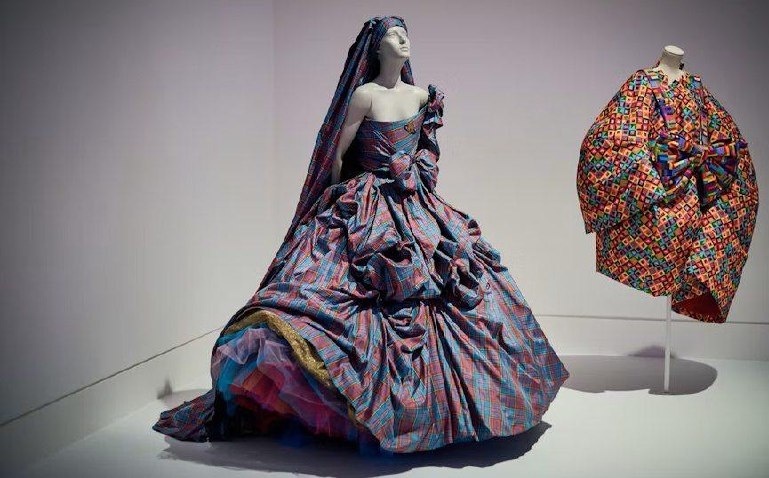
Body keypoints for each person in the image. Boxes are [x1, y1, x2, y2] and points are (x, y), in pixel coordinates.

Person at [153, 15, 570, 454]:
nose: (403, 40)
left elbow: (424, 152)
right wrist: (335, 202)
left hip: (417, 204)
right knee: (335, 289)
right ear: (376, 47)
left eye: (406, 33)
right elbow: (339, 154)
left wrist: (418, 190)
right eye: (394, 34)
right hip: (367, 202)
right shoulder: (364, 95)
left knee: (457, 278)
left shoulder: (422, 96)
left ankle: (456, 407)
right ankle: (351, 401)